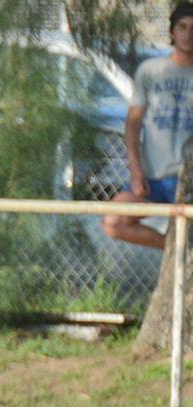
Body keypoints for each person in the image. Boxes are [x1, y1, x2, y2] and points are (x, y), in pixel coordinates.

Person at [102, 2, 193, 250]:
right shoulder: (151, 71)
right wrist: (136, 170)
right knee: (114, 221)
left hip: (188, 180)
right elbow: (133, 124)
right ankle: (177, 251)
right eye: (182, 27)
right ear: (173, 32)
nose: (188, 34)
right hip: (153, 179)